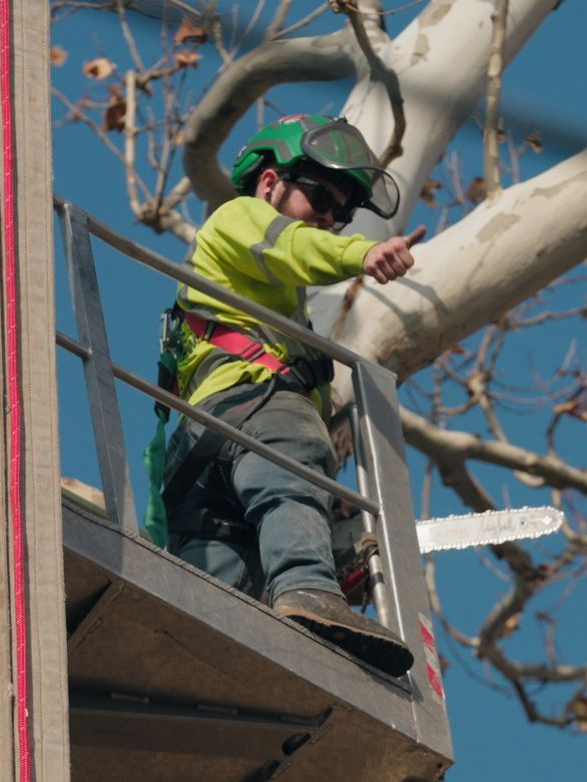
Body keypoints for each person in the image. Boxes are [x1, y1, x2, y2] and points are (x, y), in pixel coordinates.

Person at [151, 114, 426, 677]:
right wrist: (360, 255)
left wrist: (325, 495)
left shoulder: (265, 300)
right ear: (270, 182)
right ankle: (306, 586)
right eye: (320, 195)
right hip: (253, 411)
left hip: (200, 455)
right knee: (293, 448)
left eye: (342, 213)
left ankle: (200, 665)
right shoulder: (238, 218)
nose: (329, 217)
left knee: (218, 599)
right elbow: (291, 245)